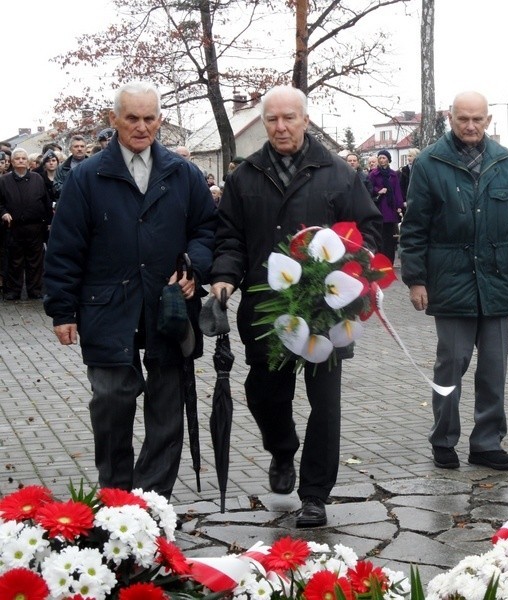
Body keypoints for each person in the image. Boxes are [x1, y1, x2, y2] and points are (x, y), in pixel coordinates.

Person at [209, 85, 380, 528]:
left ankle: (315, 494)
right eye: (272, 120)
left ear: (305, 119)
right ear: (264, 123)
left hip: (327, 312)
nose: (281, 127)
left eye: (289, 118)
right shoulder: (244, 176)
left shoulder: (338, 173)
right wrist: (226, 278)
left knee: (326, 402)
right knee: (264, 393)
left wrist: (357, 276)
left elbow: (370, 231)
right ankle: (282, 448)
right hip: (268, 312)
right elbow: (229, 238)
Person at [43, 81, 217, 499]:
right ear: (114, 120)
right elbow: (65, 248)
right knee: (111, 402)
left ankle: (151, 503)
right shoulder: (86, 177)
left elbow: (208, 231)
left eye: (150, 118)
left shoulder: (184, 173)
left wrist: (194, 266)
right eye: (133, 118)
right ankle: (116, 497)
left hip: (169, 306)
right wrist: (62, 311)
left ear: (160, 119)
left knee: (166, 409)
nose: (142, 127)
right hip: (107, 307)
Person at [399, 91, 508, 472]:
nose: (470, 126)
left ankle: (486, 442)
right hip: (449, 281)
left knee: (494, 367)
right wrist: (416, 279)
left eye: (477, 119)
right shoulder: (430, 162)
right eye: (462, 119)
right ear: (450, 118)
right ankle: (443, 438)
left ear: (488, 119)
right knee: (451, 364)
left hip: (496, 280)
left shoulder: (503, 161)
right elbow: (414, 226)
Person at [0, 148, 51, 300]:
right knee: (14, 261)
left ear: (29, 162)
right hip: (13, 227)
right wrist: (3, 213)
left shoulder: (37, 178)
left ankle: (35, 290)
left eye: (23, 158)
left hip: (35, 227)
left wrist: (48, 221)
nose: (21, 160)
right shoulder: (3, 181)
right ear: (12, 162)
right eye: (17, 158)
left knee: (35, 261)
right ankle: (13, 291)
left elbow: (45, 202)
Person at [368, 149, 404, 263]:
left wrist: (399, 205)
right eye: (380, 158)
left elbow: (397, 191)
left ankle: (389, 260)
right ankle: (379, 260)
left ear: (388, 159)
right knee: (380, 235)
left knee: (390, 236)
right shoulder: (373, 174)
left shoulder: (393, 174)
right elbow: (369, 188)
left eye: (384, 158)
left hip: (390, 208)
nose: (381, 160)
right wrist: (378, 190)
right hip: (379, 208)